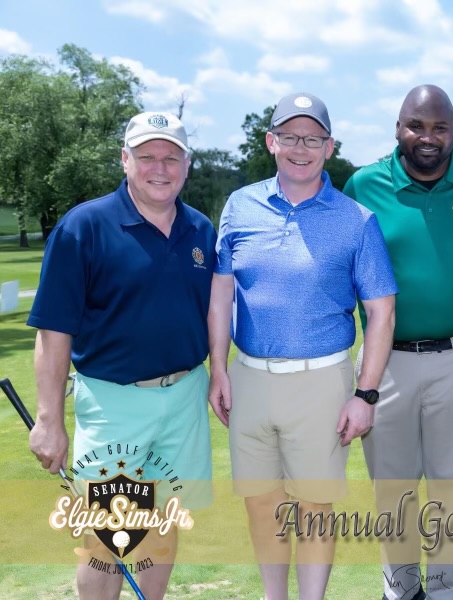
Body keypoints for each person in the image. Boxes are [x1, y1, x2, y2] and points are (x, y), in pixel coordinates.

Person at [207, 92, 397, 600]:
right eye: (289, 136)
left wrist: (367, 393)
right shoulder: (239, 205)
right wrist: (219, 370)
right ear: (271, 142)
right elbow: (222, 290)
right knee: (261, 502)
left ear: (329, 147)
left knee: (315, 508)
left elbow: (381, 311)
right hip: (248, 377)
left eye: (312, 138)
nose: (300, 148)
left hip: (323, 381)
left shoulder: (356, 219)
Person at [27, 112, 215, 600]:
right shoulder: (84, 226)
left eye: (171, 157)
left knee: (166, 523)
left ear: (186, 165)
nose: (160, 167)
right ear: (125, 160)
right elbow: (52, 332)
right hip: (114, 403)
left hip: (185, 397)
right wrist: (48, 419)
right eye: (147, 156)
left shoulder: (200, 230)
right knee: (108, 539)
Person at [342, 84, 453, 600]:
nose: (428, 137)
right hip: (384, 364)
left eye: (440, 127)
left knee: (451, 490)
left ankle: (446, 592)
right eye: (416, 125)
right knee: (393, 493)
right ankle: (400, 590)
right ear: (398, 128)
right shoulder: (364, 185)